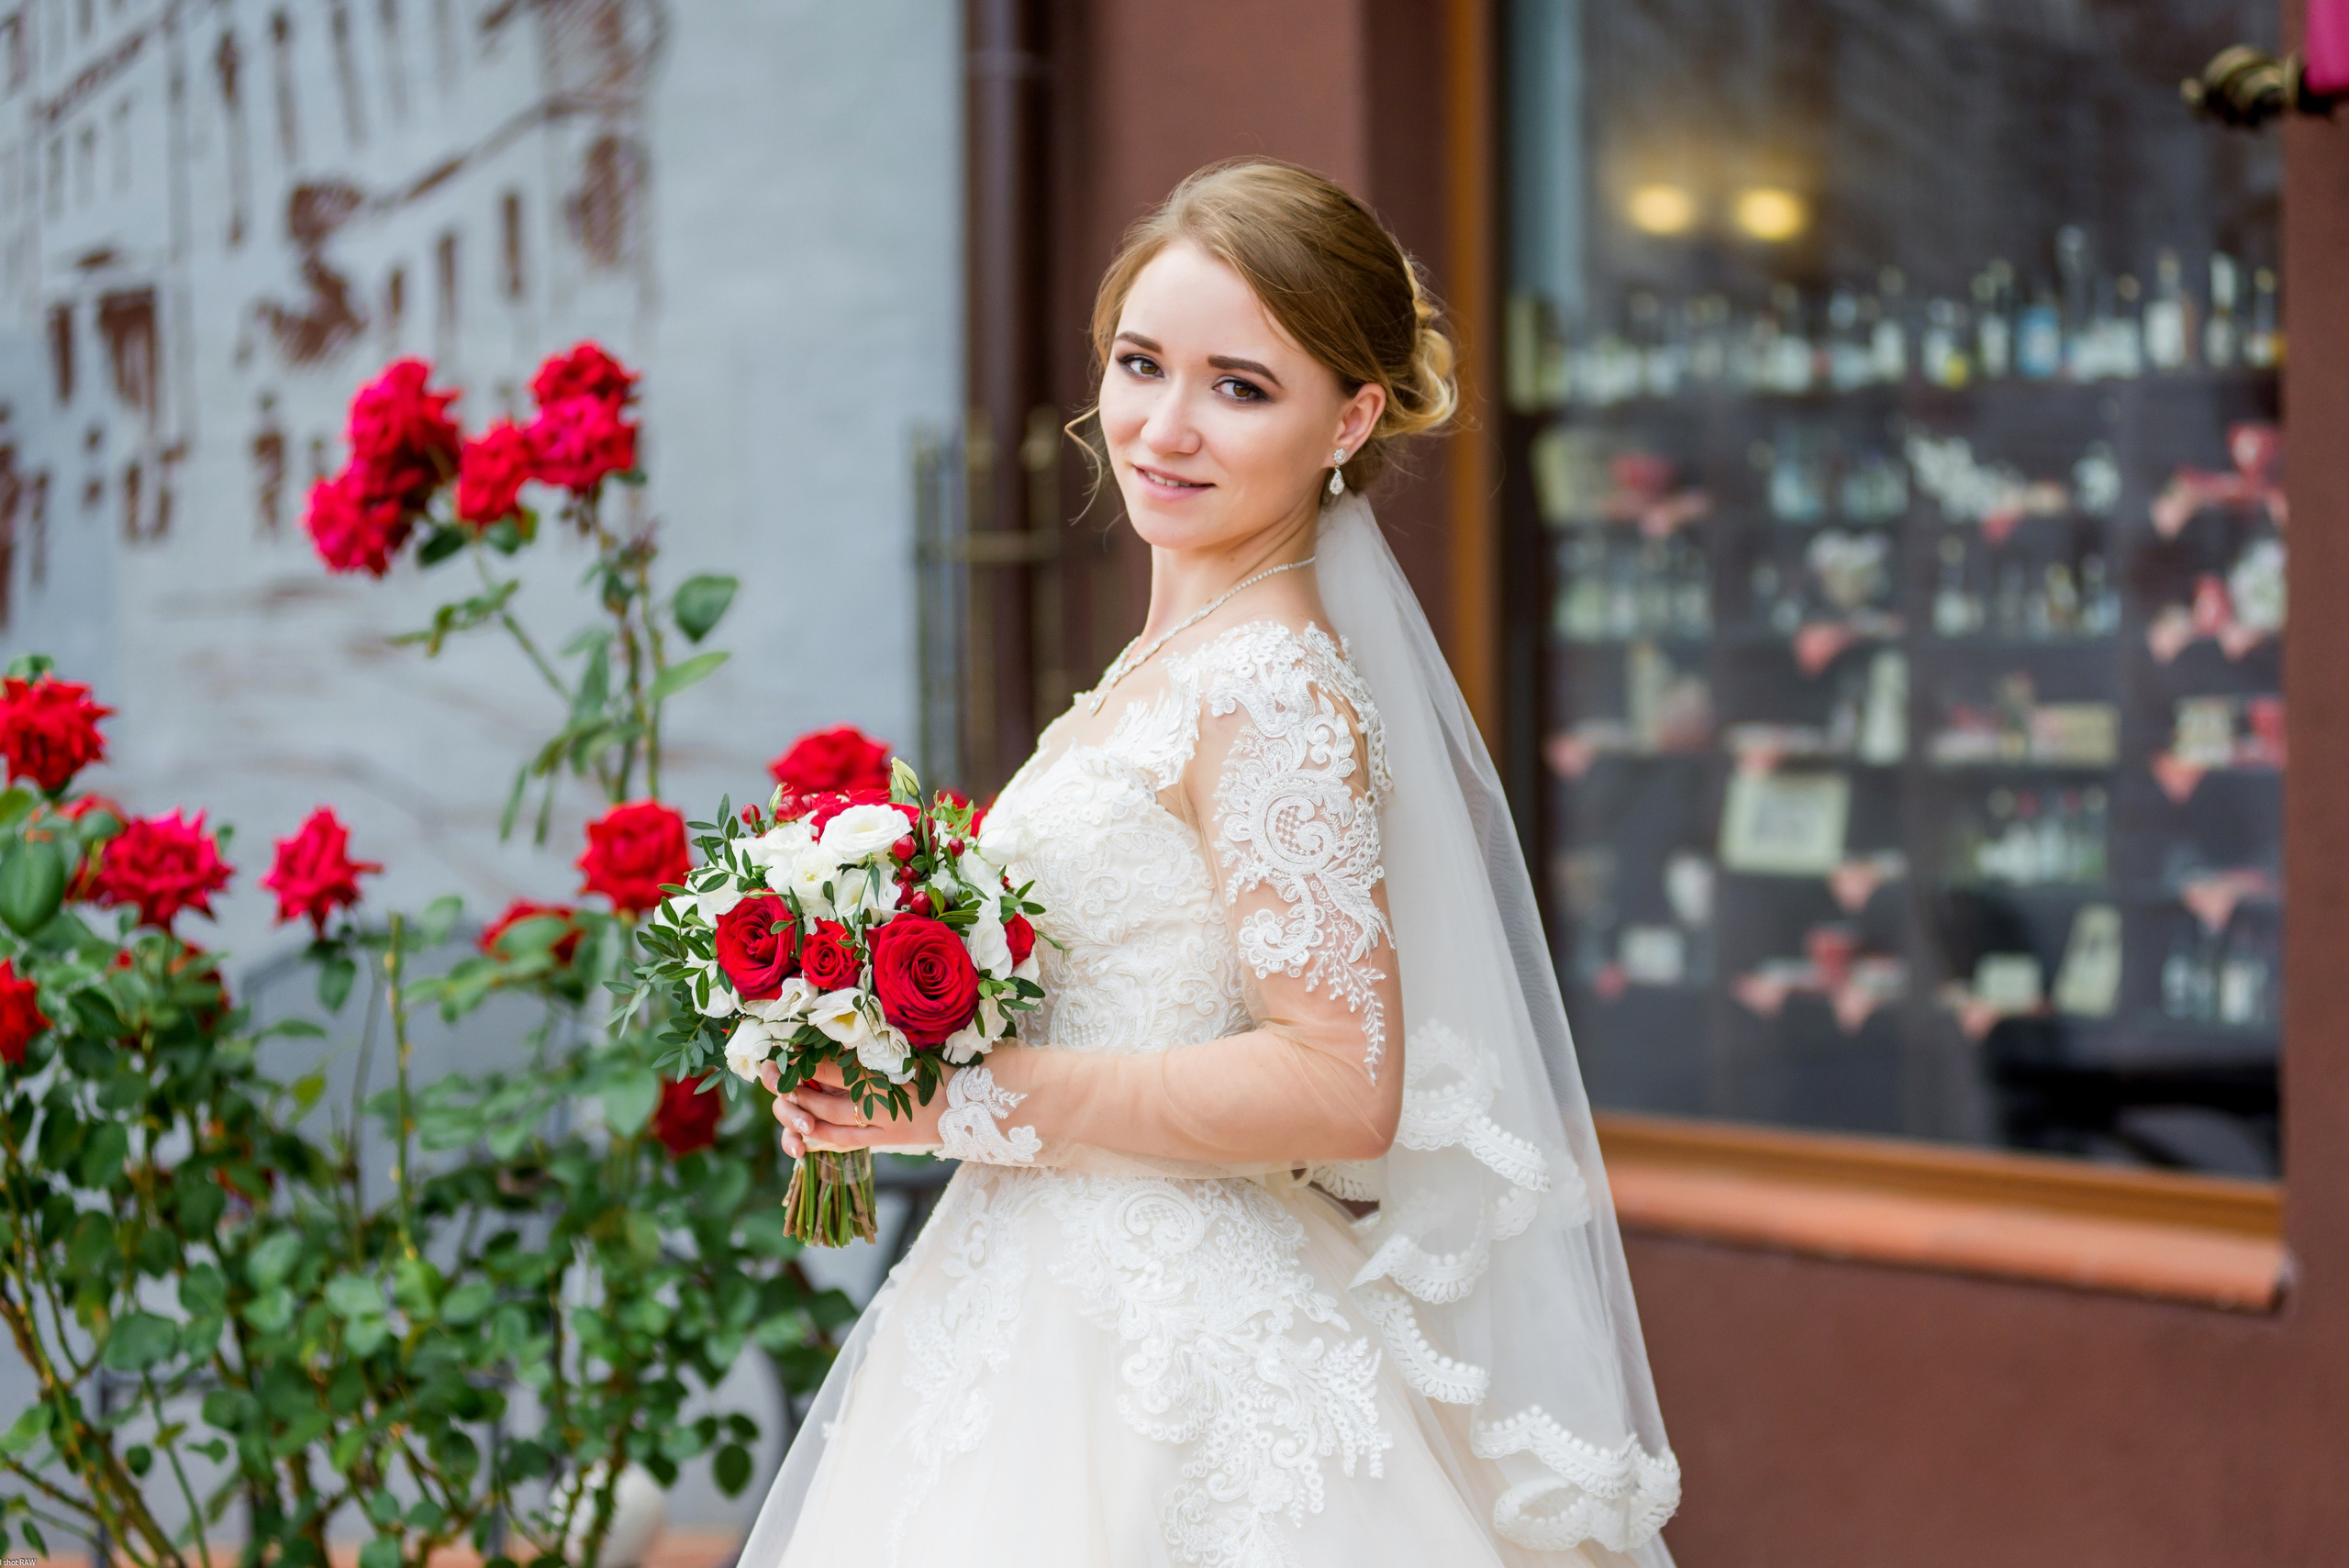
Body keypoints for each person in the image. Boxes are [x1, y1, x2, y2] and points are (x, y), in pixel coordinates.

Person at [738, 158, 1680, 1568]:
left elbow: (1339, 1080)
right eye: (1140, 364)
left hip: (1163, 1350)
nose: (1165, 428)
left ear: (1350, 417)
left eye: (1240, 387)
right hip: (1036, 1294)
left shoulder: (1269, 688)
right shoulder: (1169, 661)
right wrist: (868, 1044)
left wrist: (961, 1100)